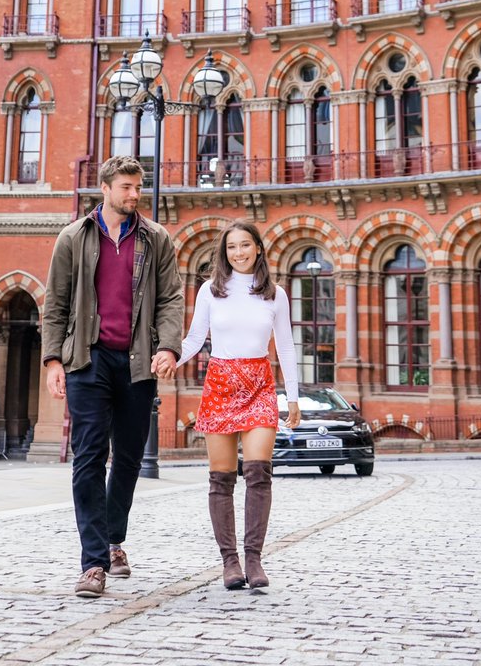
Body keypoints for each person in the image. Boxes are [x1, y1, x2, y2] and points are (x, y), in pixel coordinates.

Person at [43, 155, 184, 599]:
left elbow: (171, 298)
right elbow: (56, 304)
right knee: (88, 456)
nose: (134, 195)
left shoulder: (156, 239)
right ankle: (93, 563)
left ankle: (113, 537)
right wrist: (53, 362)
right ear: (105, 188)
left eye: (137, 187)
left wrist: (168, 346)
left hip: (138, 360)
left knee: (128, 457)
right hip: (88, 359)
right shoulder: (73, 238)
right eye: (125, 187)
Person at [172, 219, 300, 590]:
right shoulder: (211, 292)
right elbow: (195, 339)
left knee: (259, 471)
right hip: (221, 383)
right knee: (222, 478)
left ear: (258, 248)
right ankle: (230, 562)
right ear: (223, 253)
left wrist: (291, 396)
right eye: (231, 247)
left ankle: (254, 560)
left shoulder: (275, 294)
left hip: (260, 383)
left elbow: (287, 346)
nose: (239, 252)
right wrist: (168, 357)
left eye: (245, 245)